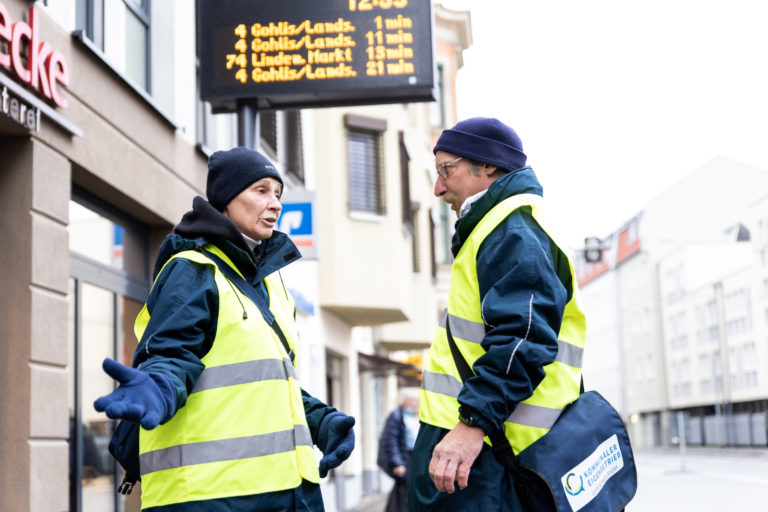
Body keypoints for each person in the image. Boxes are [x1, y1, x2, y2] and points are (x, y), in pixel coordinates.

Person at [93, 147, 356, 511]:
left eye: (278, 193)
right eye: (261, 191)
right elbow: (172, 356)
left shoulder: (272, 285)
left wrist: (323, 421)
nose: (275, 203)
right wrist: (157, 386)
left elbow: (268, 382)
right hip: (213, 497)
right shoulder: (193, 270)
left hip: (290, 493)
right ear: (227, 201)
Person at [408, 118, 587, 510]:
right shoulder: (500, 227)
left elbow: (524, 337)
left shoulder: (510, 228)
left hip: (490, 456)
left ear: (487, 166)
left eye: (446, 170)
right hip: (488, 452)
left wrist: (472, 425)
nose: (438, 187)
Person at [377, 388, 420, 512]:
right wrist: (397, 463)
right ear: (405, 402)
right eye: (415, 401)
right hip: (404, 459)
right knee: (402, 490)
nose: (417, 404)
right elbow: (390, 441)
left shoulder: (414, 415)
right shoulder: (396, 415)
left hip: (413, 458)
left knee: (408, 489)